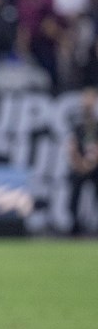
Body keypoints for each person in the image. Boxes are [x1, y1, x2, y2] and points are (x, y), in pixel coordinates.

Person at [68, 88, 98, 235]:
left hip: (95, 167)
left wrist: (91, 163)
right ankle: (74, 226)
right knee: (74, 195)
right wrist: (80, 163)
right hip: (80, 165)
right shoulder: (77, 124)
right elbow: (72, 146)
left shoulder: (95, 124)